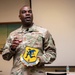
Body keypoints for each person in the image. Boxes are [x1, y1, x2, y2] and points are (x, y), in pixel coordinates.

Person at [2, 5, 56, 75]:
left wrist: (39, 59)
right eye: (24, 12)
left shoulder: (43, 32)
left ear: (32, 15)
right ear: (20, 17)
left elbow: (52, 53)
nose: (27, 13)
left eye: (30, 12)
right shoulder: (13, 35)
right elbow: (5, 57)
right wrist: (12, 48)